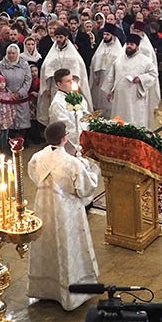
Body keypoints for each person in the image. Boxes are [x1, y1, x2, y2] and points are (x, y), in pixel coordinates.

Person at [26, 120, 99, 310]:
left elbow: (33, 176)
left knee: (47, 245)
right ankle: (71, 295)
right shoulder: (72, 163)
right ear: (65, 138)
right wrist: (86, 166)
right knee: (67, 247)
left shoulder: (36, 157)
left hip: (44, 207)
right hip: (67, 212)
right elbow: (85, 188)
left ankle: (46, 290)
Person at [107, 33, 160, 128]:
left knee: (134, 120)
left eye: (132, 44)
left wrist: (140, 78)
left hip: (135, 98)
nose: (129, 46)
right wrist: (109, 91)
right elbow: (111, 76)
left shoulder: (145, 61)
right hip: (120, 98)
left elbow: (153, 74)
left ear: (137, 46)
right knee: (119, 119)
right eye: (127, 44)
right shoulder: (118, 60)